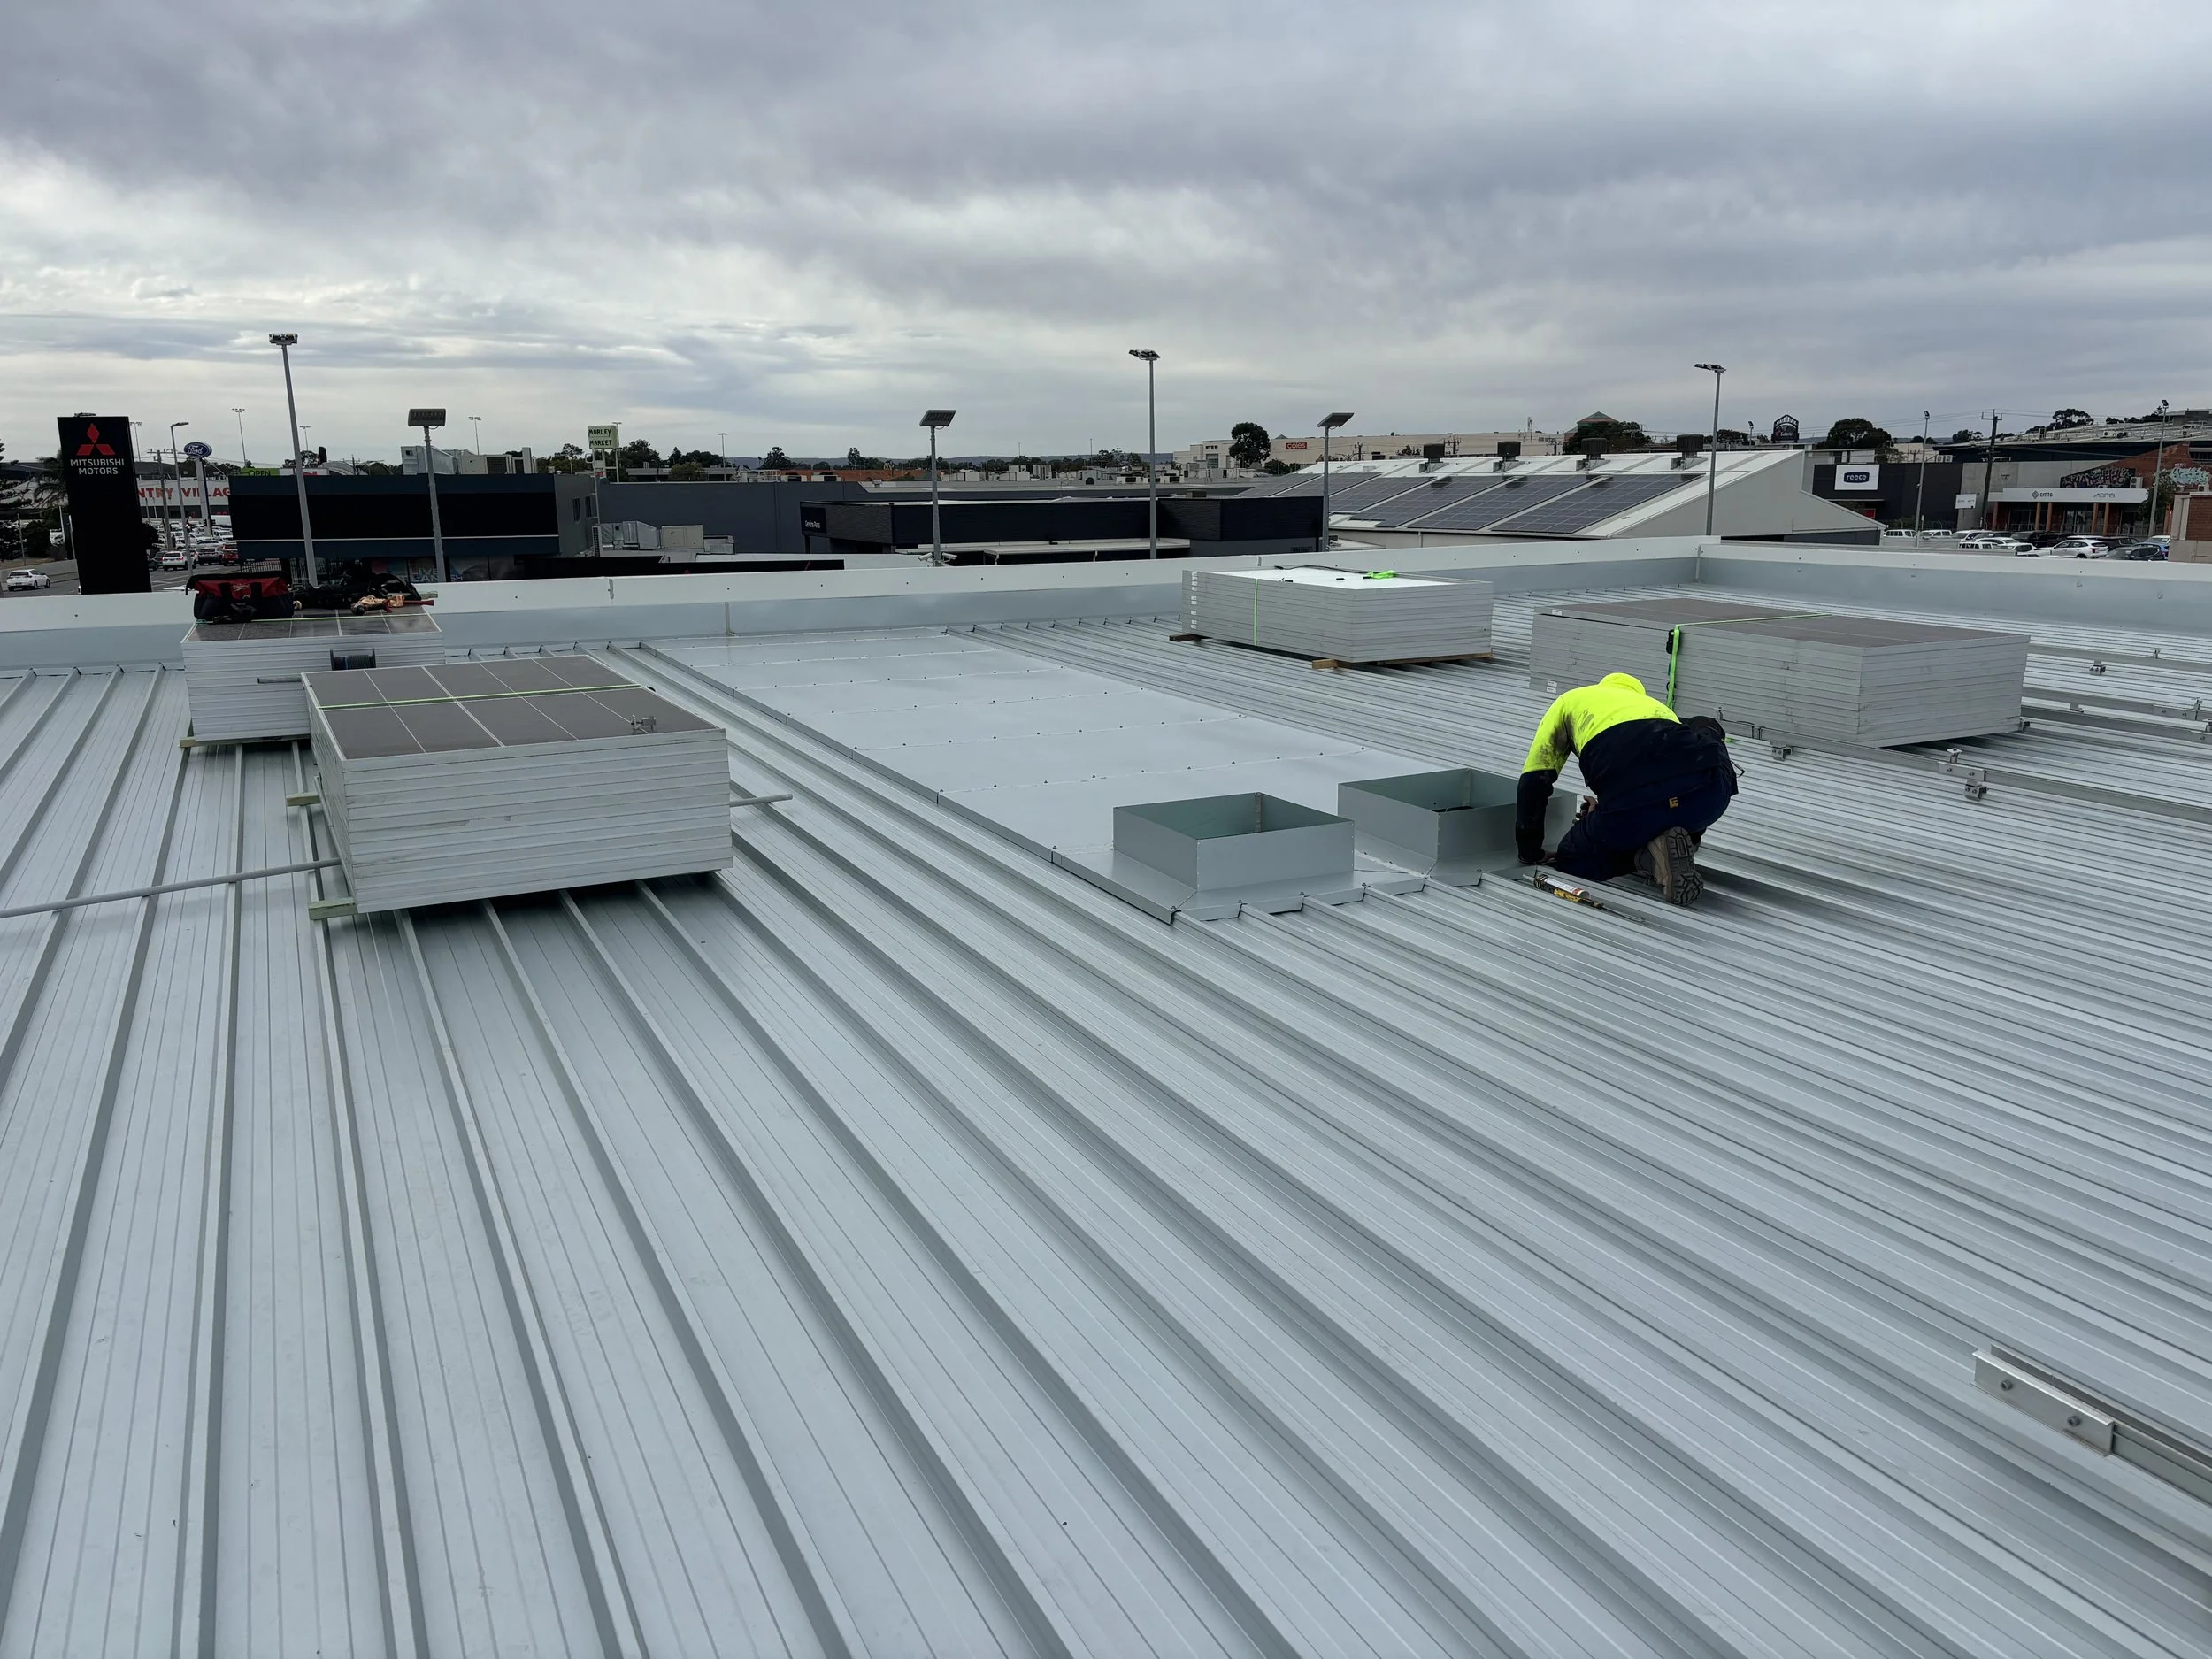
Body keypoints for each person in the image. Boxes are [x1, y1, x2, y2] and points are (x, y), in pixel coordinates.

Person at [1515, 672, 1736, 904]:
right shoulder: (1660, 710)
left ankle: (1648, 858)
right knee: (1701, 736)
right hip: (1710, 798)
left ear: (1603, 685)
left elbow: (1535, 780)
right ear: (1636, 693)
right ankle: (1688, 838)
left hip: (1636, 804)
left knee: (1572, 857)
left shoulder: (1570, 701)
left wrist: (1530, 851)